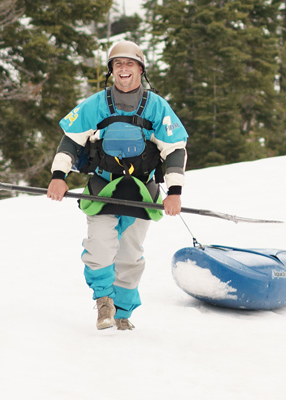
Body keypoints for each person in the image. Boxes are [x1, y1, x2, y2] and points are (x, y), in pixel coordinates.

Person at [46, 40, 188, 331]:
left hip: (142, 190)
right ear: (112, 71)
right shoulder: (95, 104)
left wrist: (174, 193)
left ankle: (122, 312)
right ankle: (104, 303)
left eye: (130, 64)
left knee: (130, 253)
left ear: (140, 69)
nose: (124, 69)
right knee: (99, 246)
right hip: (103, 186)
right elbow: (71, 141)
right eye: (118, 64)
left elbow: (174, 149)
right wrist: (58, 176)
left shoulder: (157, 106)